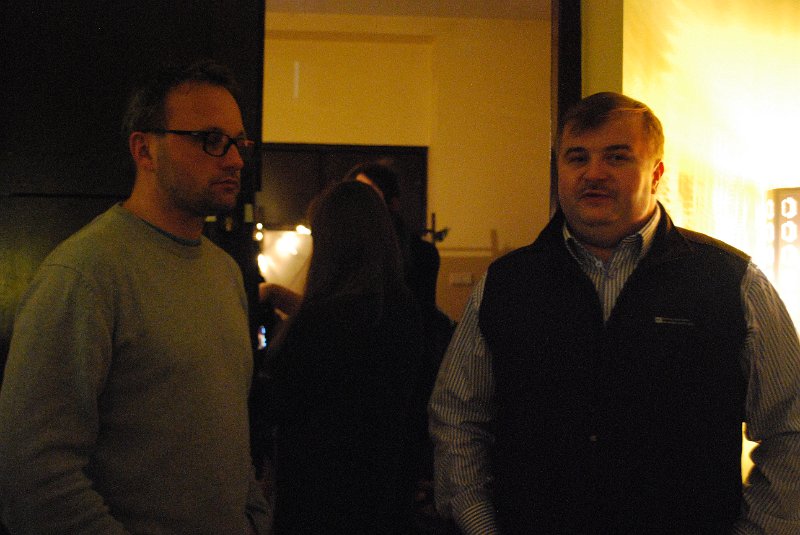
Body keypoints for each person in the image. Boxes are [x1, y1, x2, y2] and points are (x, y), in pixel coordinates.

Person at [428, 92, 800, 534]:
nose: (593, 173)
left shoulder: (730, 281)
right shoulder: (508, 283)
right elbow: (457, 417)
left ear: (656, 174)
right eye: (577, 158)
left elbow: (790, 428)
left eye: (617, 157)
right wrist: (480, 524)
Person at [0, 60, 271, 534]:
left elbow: (227, 433)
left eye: (238, 142)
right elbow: (35, 474)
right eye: (211, 140)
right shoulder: (85, 274)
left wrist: (252, 516)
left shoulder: (225, 272)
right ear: (145, 150)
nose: (234, 160)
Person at [264, 181, 424, 534]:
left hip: (318, 500)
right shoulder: (403, 310)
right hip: (384, 492)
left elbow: (279, 403)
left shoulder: (319, 322)